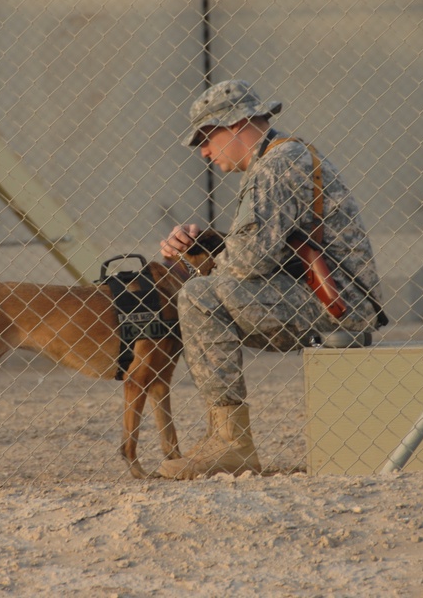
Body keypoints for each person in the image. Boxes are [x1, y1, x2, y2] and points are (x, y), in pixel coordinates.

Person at [157, 79, 384, 480]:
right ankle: (224, 437)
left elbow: (248, 262)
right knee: (203, 290)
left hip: (338, 306)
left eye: (207, 137)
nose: (204, 151)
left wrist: (199, 263)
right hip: (330, 297)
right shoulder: (279, 157)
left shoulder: (277, 164)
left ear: (236, 124)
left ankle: (231, 443)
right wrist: (206, 243)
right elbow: (262, 251)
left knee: (198, 296)